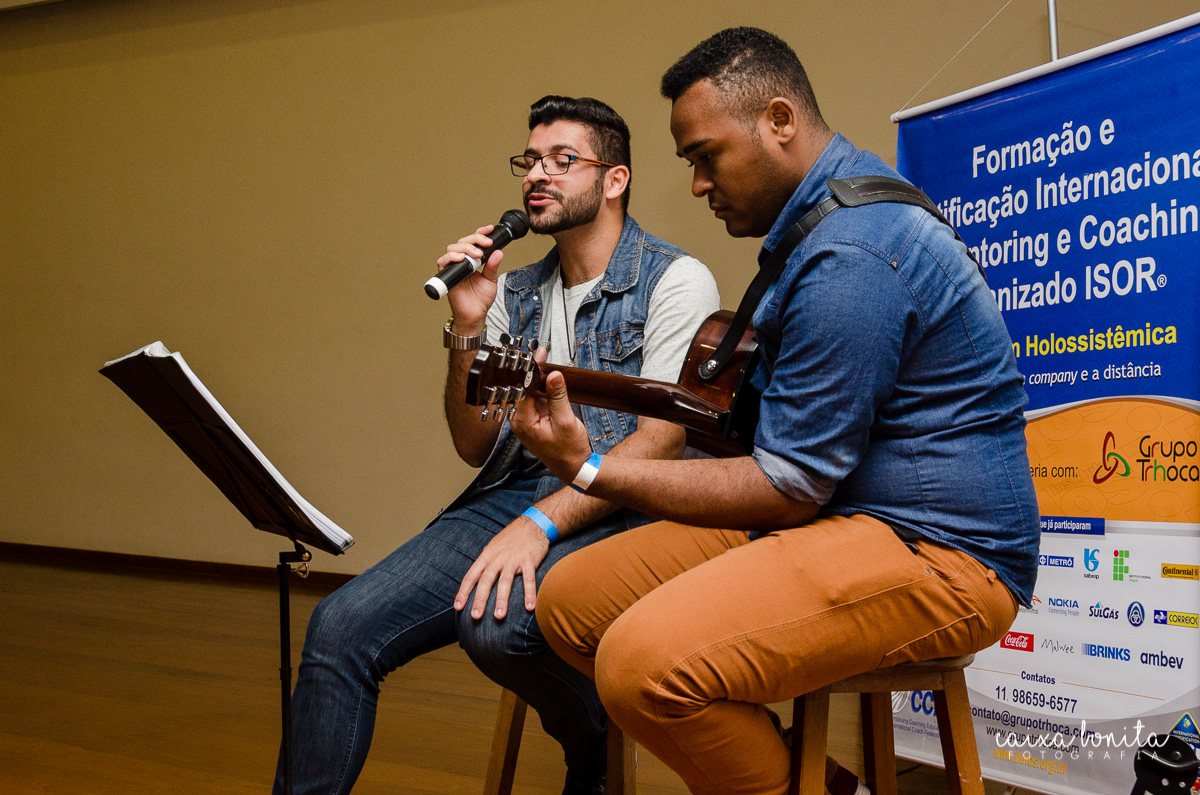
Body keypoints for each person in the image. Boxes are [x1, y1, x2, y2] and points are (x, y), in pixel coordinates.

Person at [510, 29, 1040, 795]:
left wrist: (588, 467)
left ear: (779, 121)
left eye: (704, 155)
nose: (696, 182)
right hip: (838, 507)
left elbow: (787, 483)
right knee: (569, 602)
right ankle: (818, 782)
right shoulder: (818, 222)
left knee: (637, 666)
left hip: (943, 549)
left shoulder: (854, 252)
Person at [274, 95, 720, 795]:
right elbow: (473, 439)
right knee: (338, 626)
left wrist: (540, 525)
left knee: (498, 625)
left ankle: (592, 748)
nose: (537, 175)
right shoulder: (519, 292)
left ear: (615, 179)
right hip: (522, 491)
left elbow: (660, 447)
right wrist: (467, 325)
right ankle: (597, 733)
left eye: (562, 160)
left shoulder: (674, 281)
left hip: (627, 503)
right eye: (530, 161)